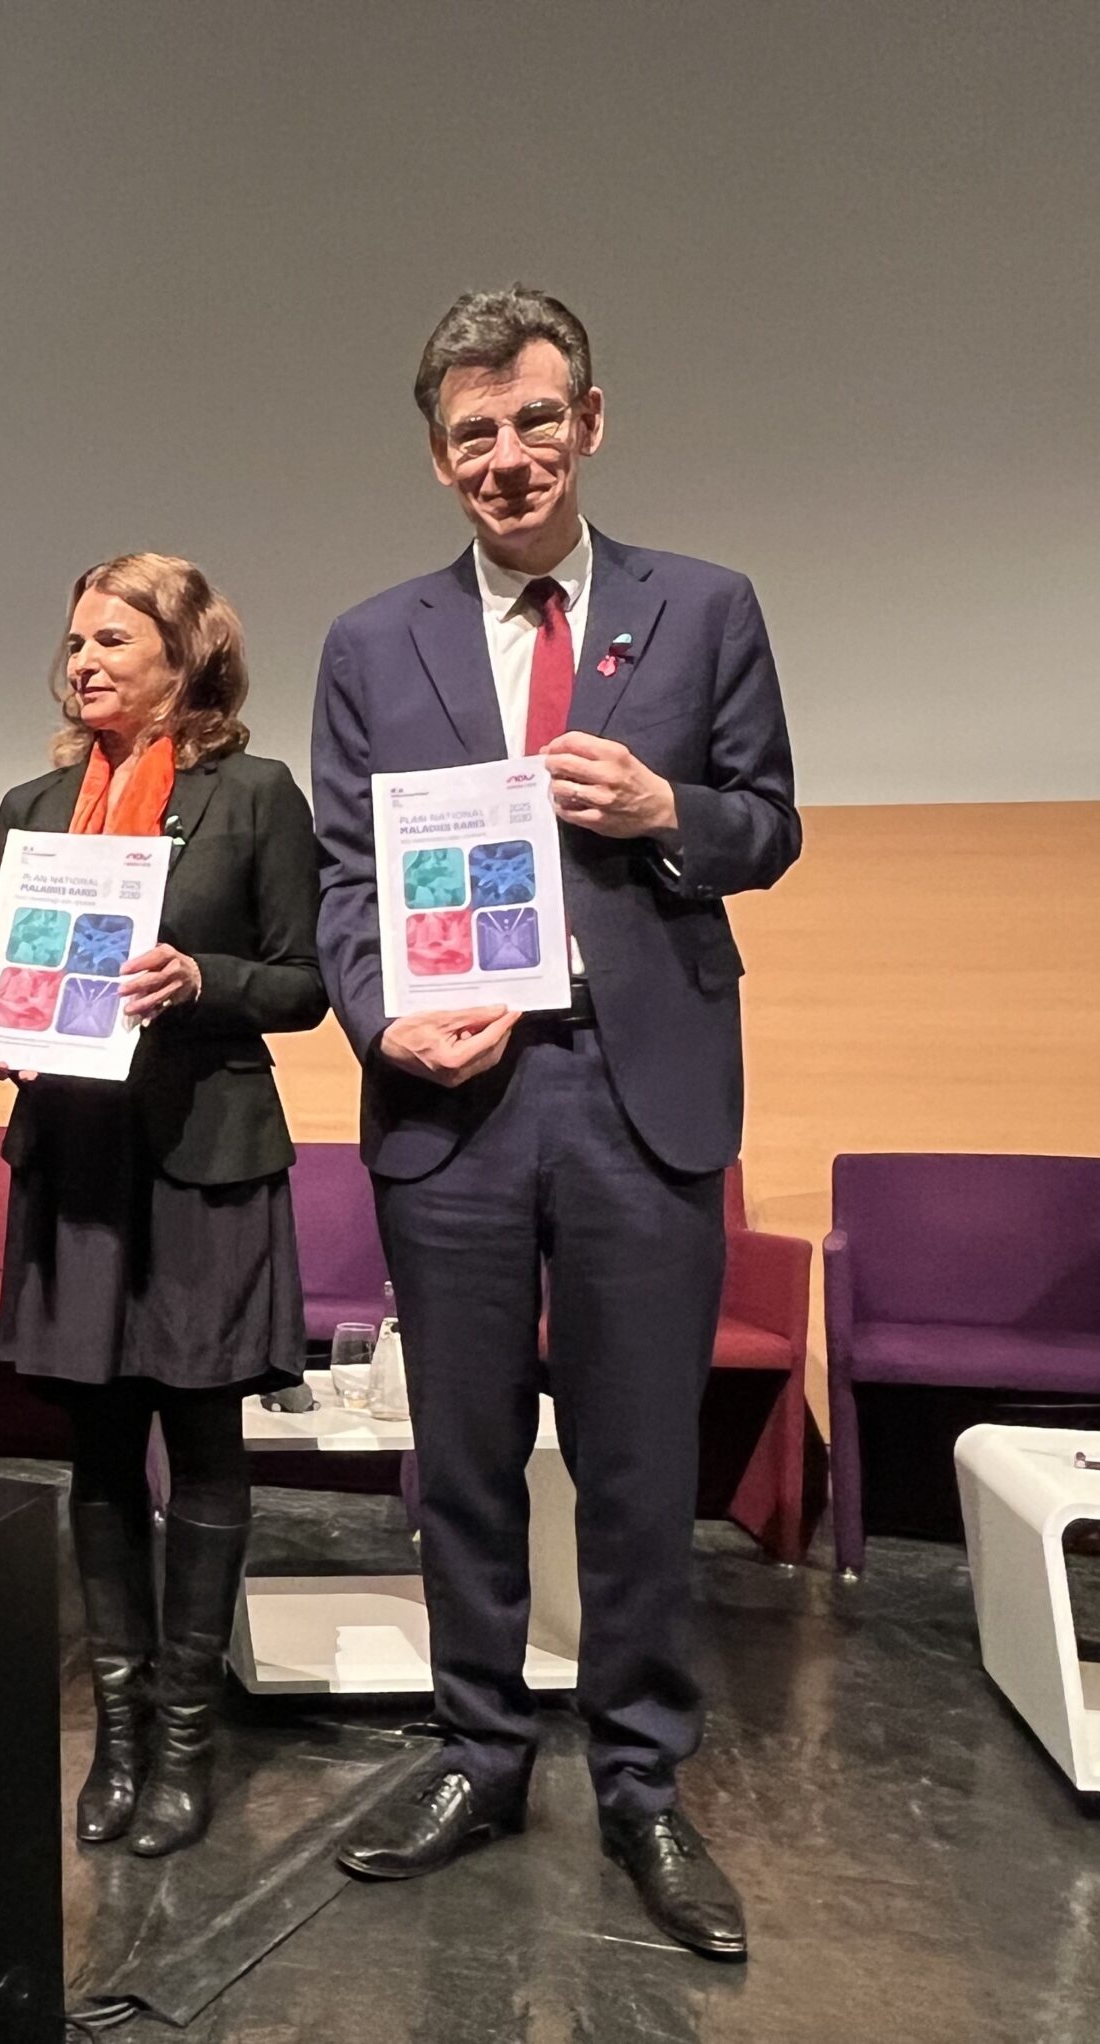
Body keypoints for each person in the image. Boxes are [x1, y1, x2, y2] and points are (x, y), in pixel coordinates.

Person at [311, 288, 800, 1959]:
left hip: (636, 1088)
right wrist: (381, 1019)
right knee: (460, 1454)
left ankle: (645, 1780)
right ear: (438, 457)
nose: (506, 456)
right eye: (473, 433)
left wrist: (668, 809)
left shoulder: (704, 606)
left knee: (638, 1460)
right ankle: (479, 1752)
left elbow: (768, 823)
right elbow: (345, 878)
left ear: (589, 422)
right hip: (453, 1092)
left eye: (534, 420)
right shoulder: (371, 642)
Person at [0, 553, 328, 1858]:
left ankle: (186, 1740)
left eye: (112, 640)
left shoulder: (254, 796)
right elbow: (16, 975)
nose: (82, 661)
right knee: (95, 1451)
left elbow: (303, 983)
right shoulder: (32, 808)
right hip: (75, 1157)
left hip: (203, 1155)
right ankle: (119, 1738)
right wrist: (11, 1031)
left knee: (203, 1442)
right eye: (75, 640)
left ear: (186, 657)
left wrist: (202, 979)